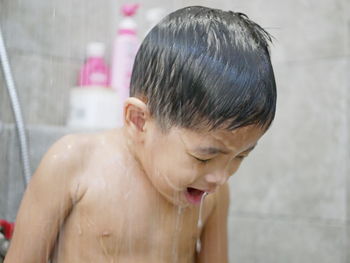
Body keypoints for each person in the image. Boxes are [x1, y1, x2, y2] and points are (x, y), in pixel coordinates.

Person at [5, 5, 277, 263]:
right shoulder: (73, 165)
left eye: (240, 157)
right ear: (138, 121)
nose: (221, 176)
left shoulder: (214, 193)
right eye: (203, 158)